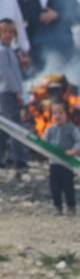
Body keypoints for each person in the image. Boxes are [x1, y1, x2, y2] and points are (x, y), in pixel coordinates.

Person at [43, 101, 80, 216]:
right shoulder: (49, 130)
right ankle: (57, 206)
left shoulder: (72, 129)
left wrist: (74, 150)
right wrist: (46, 151)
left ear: (66, 114)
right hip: (54, 163)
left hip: (67, 163)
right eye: (54, 113)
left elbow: (79, 141)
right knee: (55, 186)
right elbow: (44, 143)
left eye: (60, 112)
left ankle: (71, 206)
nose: (57, 116)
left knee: (68, 185)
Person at [0, 18, 27, 171]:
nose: (8, 35)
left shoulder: (10, 50)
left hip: (13, 91)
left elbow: (16, 73)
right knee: (15, 126)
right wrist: (18, 92)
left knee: (4, 127)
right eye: (4, 32)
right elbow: (7, 75)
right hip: (6, 92)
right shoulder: (2, 52)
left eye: (11, 32)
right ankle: (20, 159)